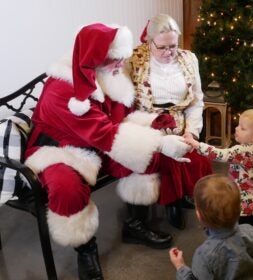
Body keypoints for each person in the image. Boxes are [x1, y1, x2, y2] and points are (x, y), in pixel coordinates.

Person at [24, 23, 192, 280]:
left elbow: (118, 122)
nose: (121, 64)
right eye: (117, 59)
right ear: (96, 57)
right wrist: (159, 141)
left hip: (98, 145)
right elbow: (105, 134)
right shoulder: (62, 88)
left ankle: (134, 225)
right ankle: (85, 251)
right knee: (67, 189)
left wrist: (151, 124)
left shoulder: (108, 76)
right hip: (60, 151)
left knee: (148, 158)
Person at [128, 14, 212, 230]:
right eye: (162, 47)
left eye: (173, 46)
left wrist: (191, 132)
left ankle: (177, 199)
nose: (168, 53)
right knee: (161, 156)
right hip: (146, 125)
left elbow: (196, 101)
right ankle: (164, 204)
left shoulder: (189, 59)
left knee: (193, 153)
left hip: (180, 123)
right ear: (149, 41)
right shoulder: (134, 60)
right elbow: (125, 103)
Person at [186, 109, 253, 231]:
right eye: (238, 125)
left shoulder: (243, 151)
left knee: (245, 224)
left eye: (242, 128)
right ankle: (252, 235)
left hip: (245, 202)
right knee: (251, 222)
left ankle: (249, 241)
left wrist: (197, 145)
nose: (236, 128)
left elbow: (219, 154)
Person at [169, 174, 253, 279]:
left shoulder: (204, 255)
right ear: (240, 208)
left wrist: (180, 267)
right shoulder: (250, 232)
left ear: (199, 215)